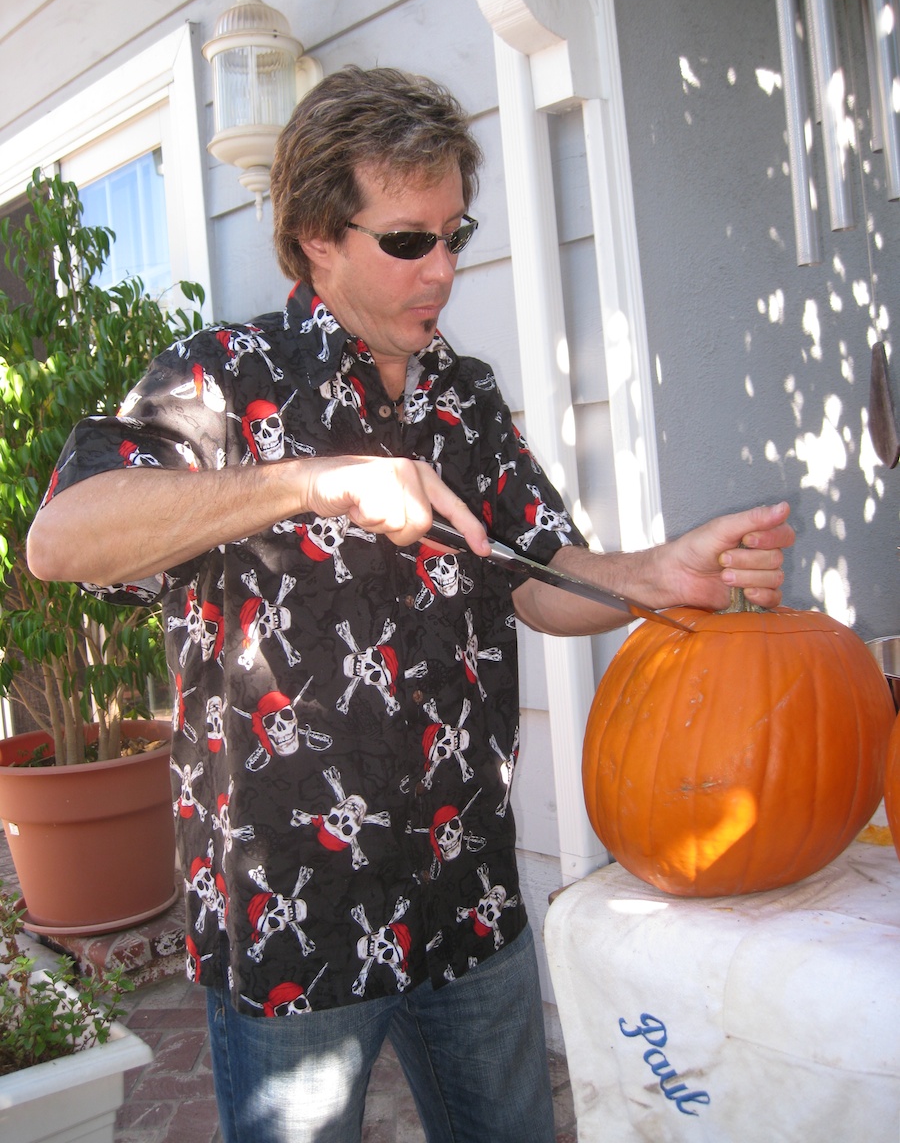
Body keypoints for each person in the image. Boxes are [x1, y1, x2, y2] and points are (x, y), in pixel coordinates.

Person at [26, 66, 794, 1143]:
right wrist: (314, 481)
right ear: (315, 237)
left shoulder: (464, 396)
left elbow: (533, 576)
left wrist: (657, 576)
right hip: (298, 922)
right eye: (405, 240)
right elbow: (61, 539)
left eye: (454, 234)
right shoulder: (220, 378)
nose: (441, 269)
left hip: (467, 896)